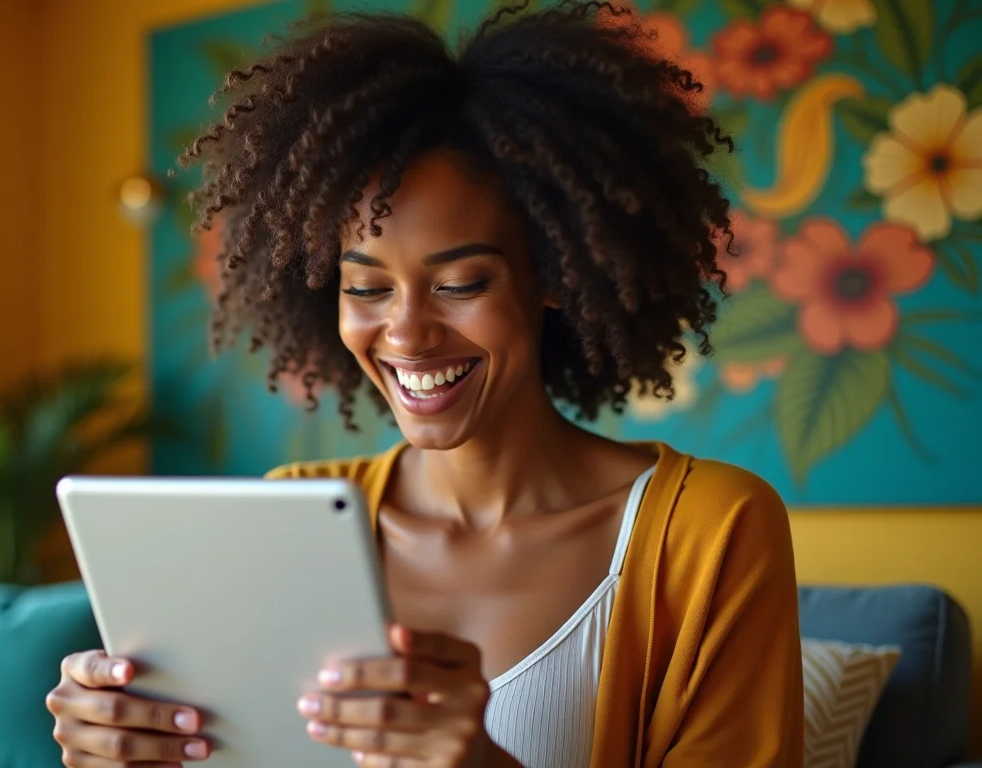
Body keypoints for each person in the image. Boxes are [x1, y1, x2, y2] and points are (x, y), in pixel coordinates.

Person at [45, 1, 804, 766]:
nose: (406, 333)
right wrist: (128, 749)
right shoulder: (293, 518)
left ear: (556, 275)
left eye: (461, 282)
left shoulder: (709, 531)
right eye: (367, 289)